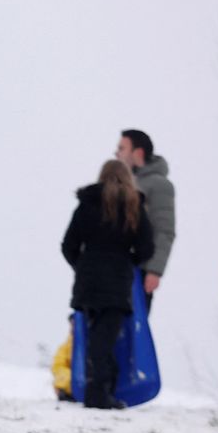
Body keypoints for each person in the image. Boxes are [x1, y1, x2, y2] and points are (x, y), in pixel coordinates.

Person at [60, 160, 155, 410]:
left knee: (96, 336)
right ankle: (98, 394)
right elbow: (147, 247)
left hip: (89, 279)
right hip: (117, 279)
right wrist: (128, 261)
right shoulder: (133, 206)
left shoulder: (87, 204)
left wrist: (81, 266)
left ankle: (103, 390)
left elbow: (68, 244)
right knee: (105, 338)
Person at [117, 130, 175, 311]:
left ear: (138, 153)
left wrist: (154, 270)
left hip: (139, 270)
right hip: (114, 266)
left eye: (122, 148)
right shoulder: (121, 183)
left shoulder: (159, 185)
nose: (117, 153)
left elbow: (164, 229)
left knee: (132, 328)